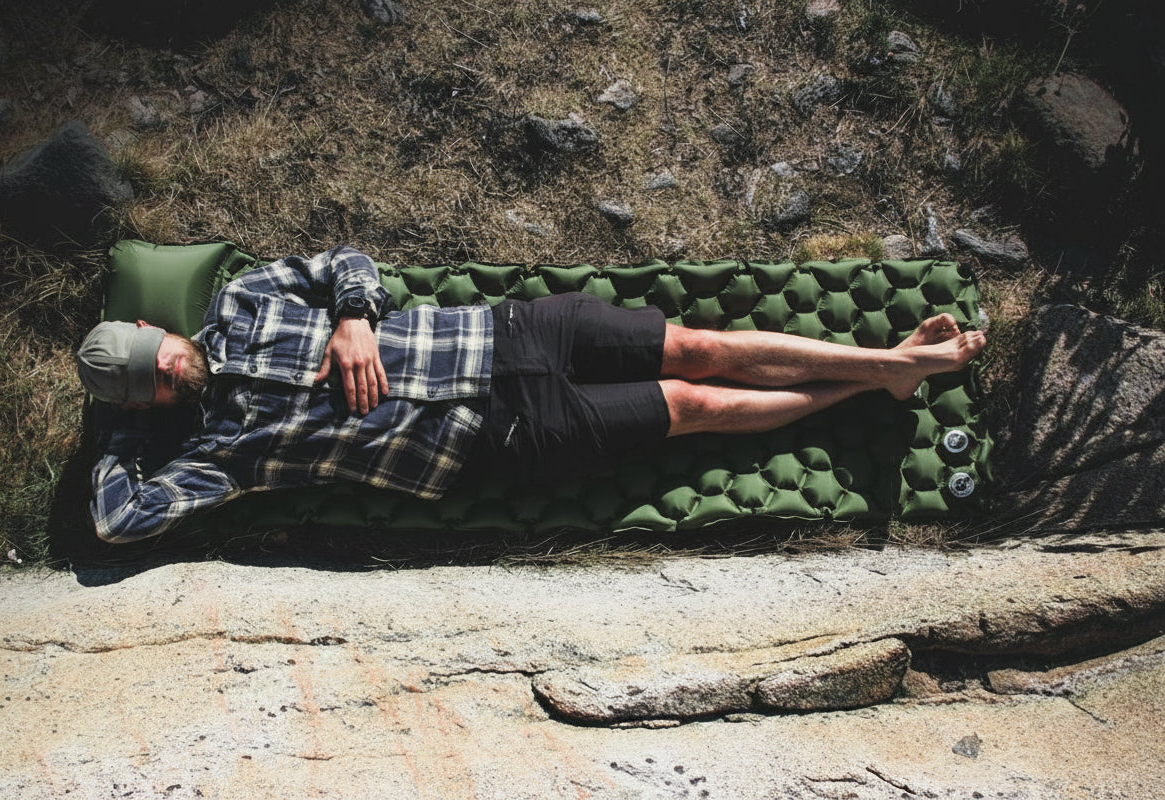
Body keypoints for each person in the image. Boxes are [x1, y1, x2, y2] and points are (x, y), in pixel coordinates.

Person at [77, 245, 985, 543]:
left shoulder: (243, 298)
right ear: (143, 404)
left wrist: (352, 315)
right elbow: (119, 522)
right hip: (496, 436)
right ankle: (883, 379)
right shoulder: (208, 454)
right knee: (695, 408)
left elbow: (347, 260)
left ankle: (882, 365)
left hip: (507, 332)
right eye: (147, 387)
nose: (166, 371)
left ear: (162, 332)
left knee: (703, 346)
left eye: (154, 355)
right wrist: (116, 438)